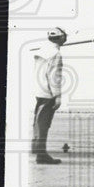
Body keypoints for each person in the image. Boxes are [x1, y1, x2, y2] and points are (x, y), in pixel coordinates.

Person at [32, 27, 66, 165]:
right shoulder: (56, 54)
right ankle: (41, 155)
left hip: (39, 91)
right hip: (48, 93)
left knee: (38, 123)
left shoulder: (42, 51)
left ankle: (37, 150)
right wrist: (57, 96)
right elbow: (54, 77)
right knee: (43, 124)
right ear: (60, 38)